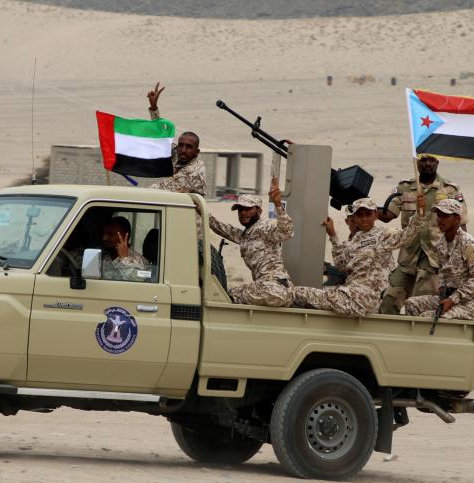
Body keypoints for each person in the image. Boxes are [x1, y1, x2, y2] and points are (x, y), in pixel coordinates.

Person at [292, 196, 426, 317]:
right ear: (354, 218)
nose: (364, 218)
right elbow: (341, 264)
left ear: (375, 216)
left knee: (299, 293)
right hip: (351, 293)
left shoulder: (383, 236)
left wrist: (419, 215)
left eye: (368, 214)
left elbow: (406, 236)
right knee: (305, 294)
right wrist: (333, 235)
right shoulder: (353, 242)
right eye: (360, 215)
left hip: (366, 298)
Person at [377, 155, 467, 314]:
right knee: (388, 302)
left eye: (431, 160)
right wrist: (364, 206)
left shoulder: (449, 190)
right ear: (416, 163)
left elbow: (461, 226)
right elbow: (387, 215)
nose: (427, 164)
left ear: (437, 163)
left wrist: (456, 260)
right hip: (407, 259)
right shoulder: (405, 188)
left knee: (418, 307)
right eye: (423, 160)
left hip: (434, 261)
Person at [208, 178, 293, 307]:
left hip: (274, 288)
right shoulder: (245, 235)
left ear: (259, 211)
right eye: (240, 209)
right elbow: (220, 228)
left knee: (227, 296)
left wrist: (278, 204)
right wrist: (199, 210)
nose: (243, 213)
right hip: (263, 287)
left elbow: (286, 232)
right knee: (224, 294)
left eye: (248, 209)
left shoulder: (264, 226)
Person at [404, 199, 474, 320]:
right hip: (449, 298)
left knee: (427, 317)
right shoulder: (441, 245)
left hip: (472, 303)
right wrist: (444, 294)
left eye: (446, 216)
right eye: (439, 215)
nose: (440, 219)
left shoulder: (469, 245)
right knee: (411, 304)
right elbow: (443, 275)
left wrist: (452, 300)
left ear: (457, 219)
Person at [145, 82, 206, 196]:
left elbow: (159, 189)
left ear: (196, 152)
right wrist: (154, 108)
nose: (183, 150)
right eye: (181, 145)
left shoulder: (193, 172)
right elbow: (160, 137)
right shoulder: (179, 155)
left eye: (189, 147)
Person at [100, 216, 150, 281]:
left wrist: (124, 259)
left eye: (110, 234)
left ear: (124, 236)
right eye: (104, 234)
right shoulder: (103, 257)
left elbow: (139, 282)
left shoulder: (139, 261)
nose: (104, 238)